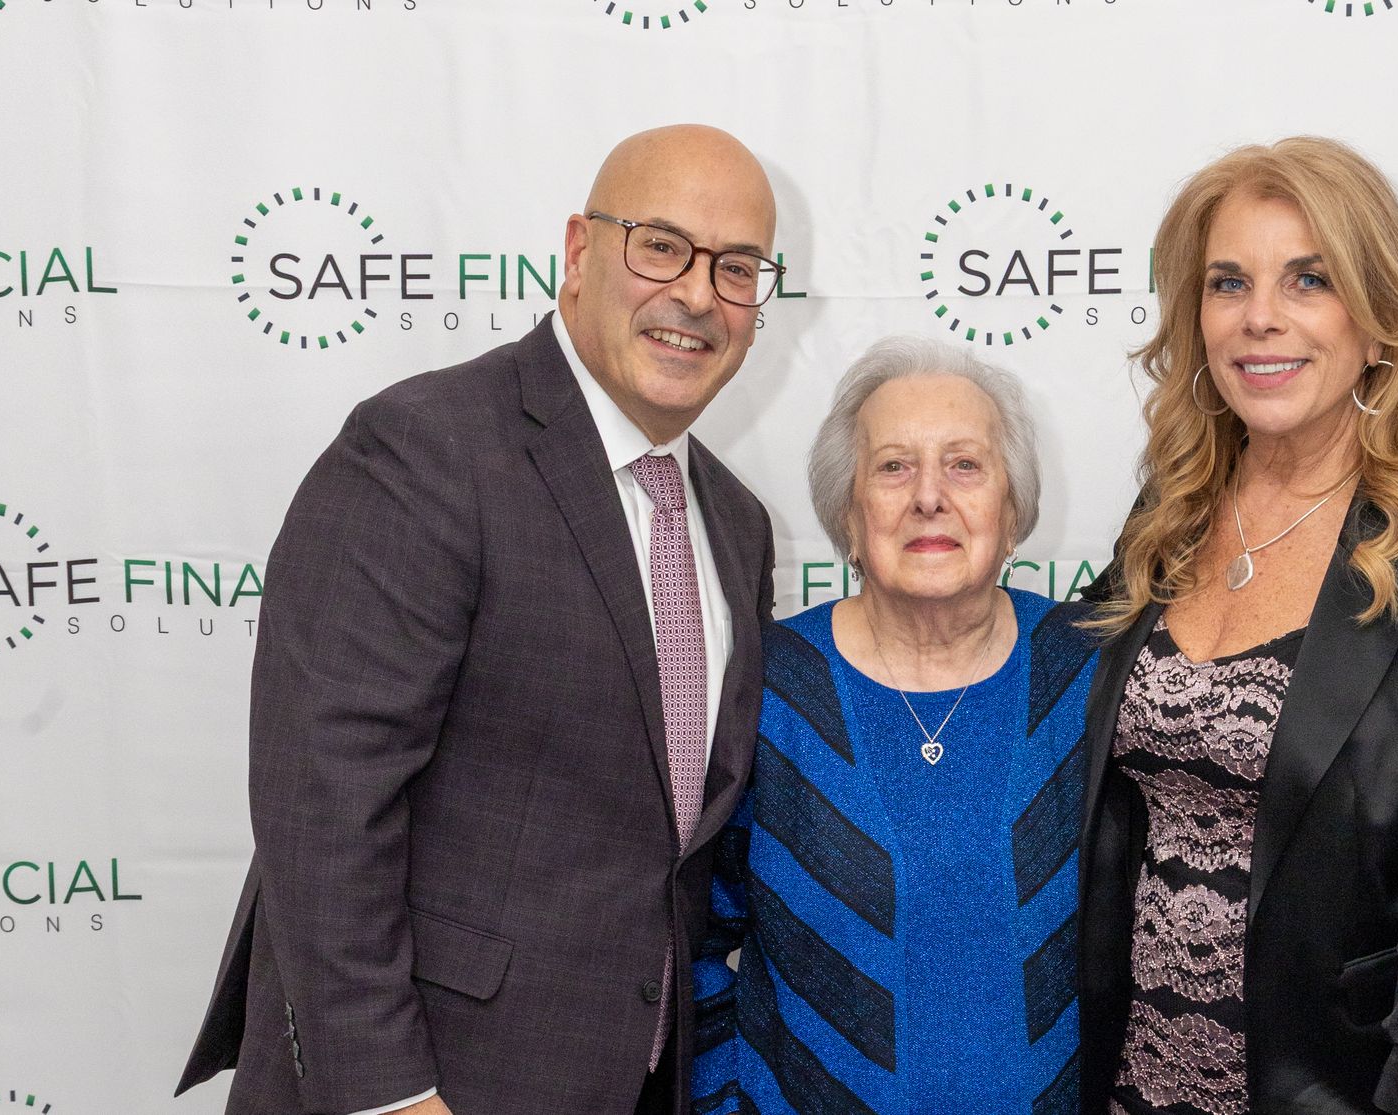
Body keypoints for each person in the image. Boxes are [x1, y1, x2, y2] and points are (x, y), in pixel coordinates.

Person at [175, 124, 784, 1115]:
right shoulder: (425, 451)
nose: (696, 294)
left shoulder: (737, 524)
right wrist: (390, 1094)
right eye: (661, 245)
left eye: (737, 267)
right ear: (581, 253)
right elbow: (323, 806)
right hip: (428, 1084)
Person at [1076, 137, 1398, 1115]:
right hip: (1139, 1082)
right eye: (1228, 282)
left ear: (1380, 322)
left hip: (1345, 1087)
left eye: (1309, 279)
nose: (1260, 318)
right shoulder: (1167, 521)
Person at [688, 337, 1099, 1114]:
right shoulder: (769, 685)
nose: (930, 497)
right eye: (894, 466)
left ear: (1013, 512)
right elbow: (695, 939)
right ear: (849, 513)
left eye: (966, 465)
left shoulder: (1090, 674)